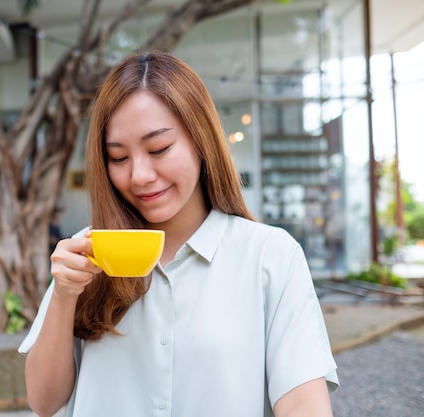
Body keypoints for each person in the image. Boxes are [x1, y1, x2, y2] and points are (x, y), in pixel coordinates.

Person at [18, 50, 339, 417]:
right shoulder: (88, 252)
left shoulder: (270, 255)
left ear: (201, 141)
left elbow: (303, 402)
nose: (139, 175)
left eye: (159, 148)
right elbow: (43, 402)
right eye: (119, 158)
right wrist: (64, 293)